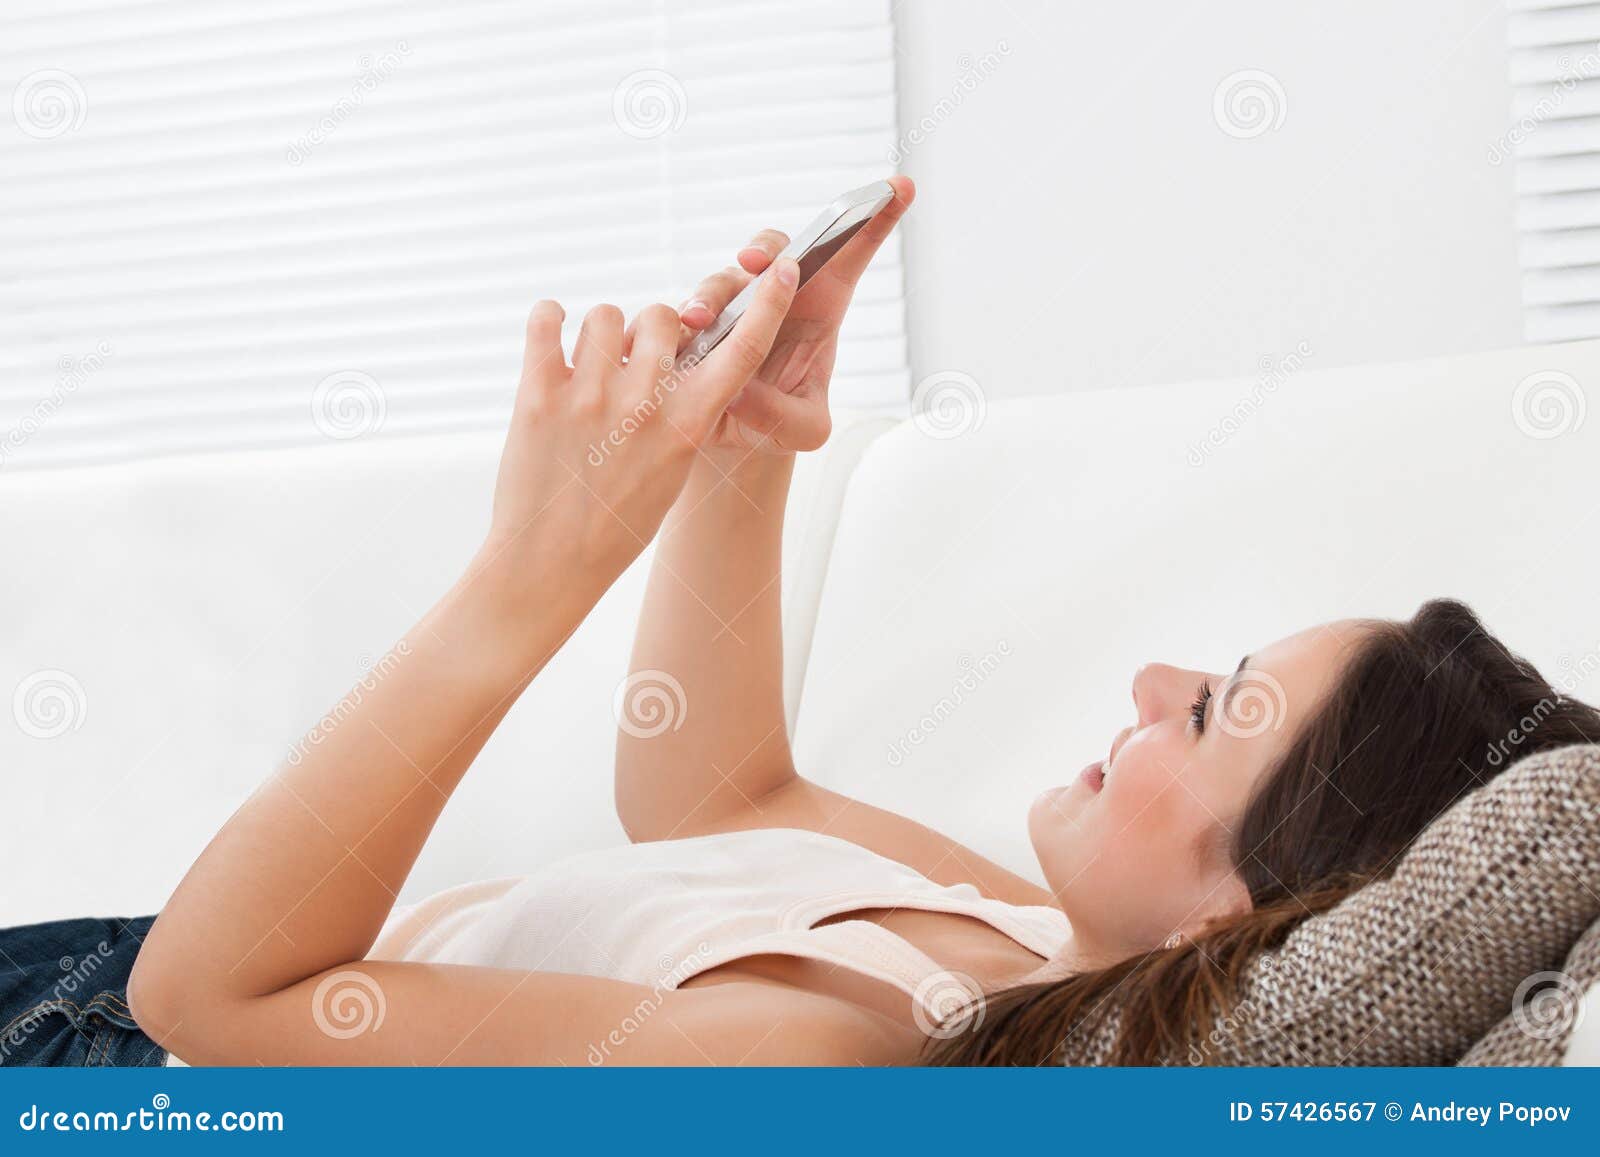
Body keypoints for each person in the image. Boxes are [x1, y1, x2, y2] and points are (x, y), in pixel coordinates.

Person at [11, 177, 1597, 1067]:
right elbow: (716, 799)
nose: (1150, 677)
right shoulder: (1027, 944)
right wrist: (748, 448)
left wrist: (537, 567)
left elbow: (208, 1002)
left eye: (1211, 711)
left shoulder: (812, 1068)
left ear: (1231, 921)